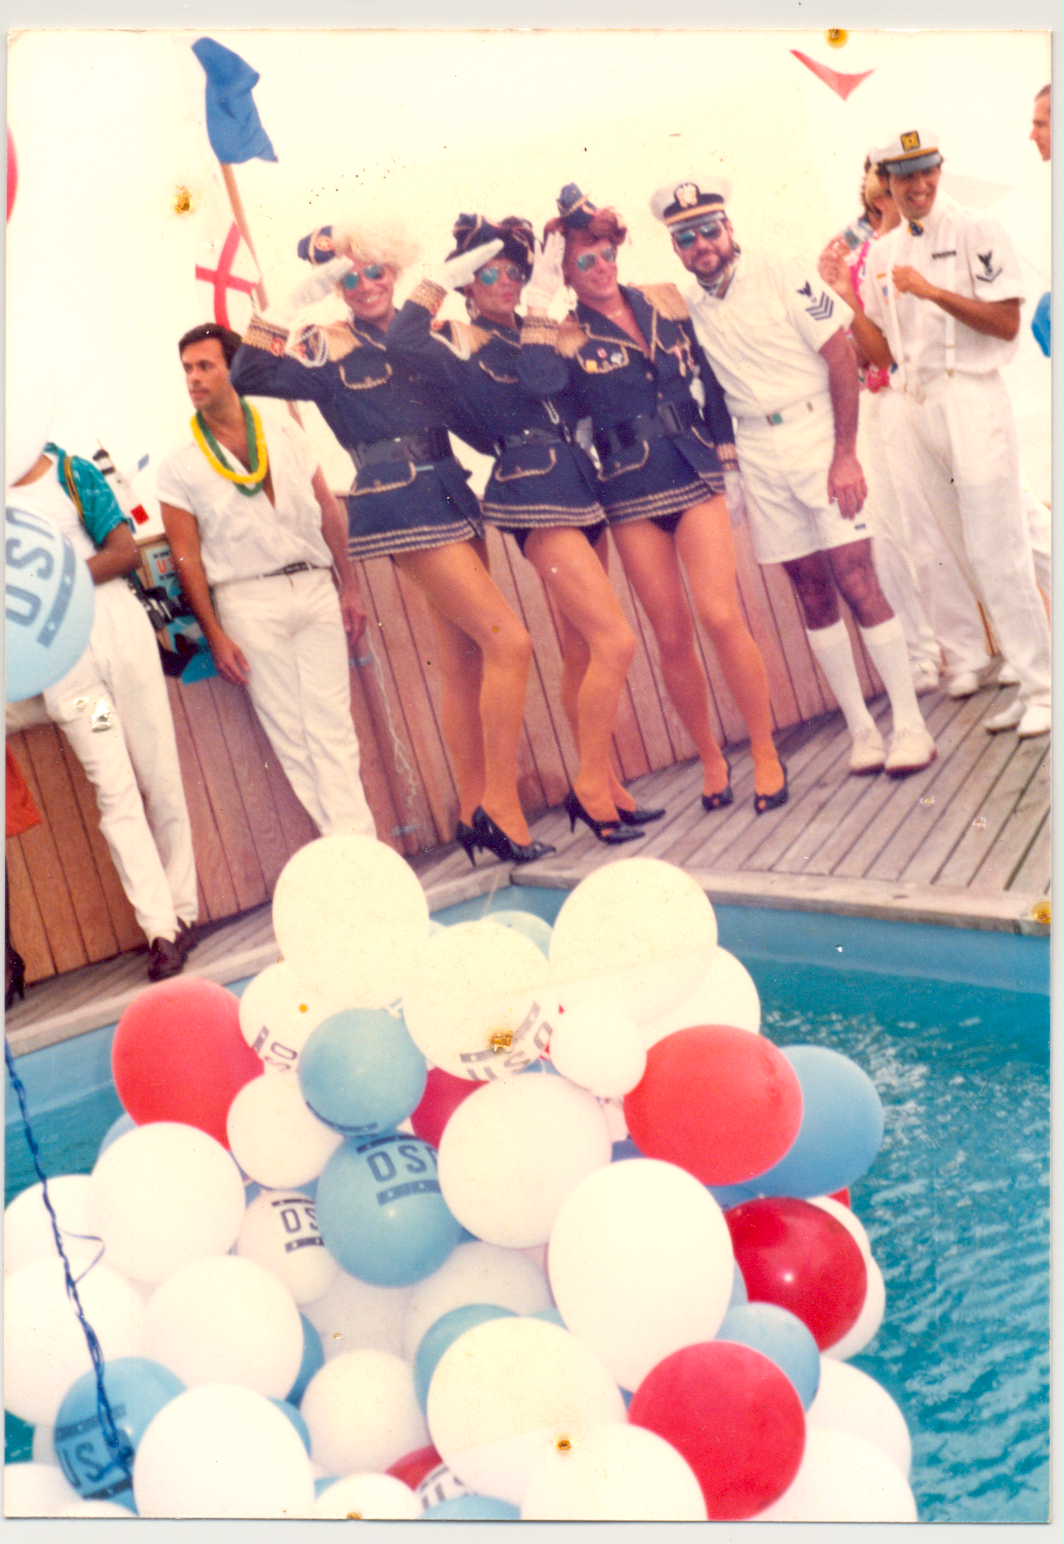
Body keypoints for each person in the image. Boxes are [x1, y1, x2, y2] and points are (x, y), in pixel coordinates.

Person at [229, 222, 552, 866]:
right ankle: (501, 807)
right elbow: (249, 373)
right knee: (510, 643)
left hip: (451, 490)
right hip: (397, 498)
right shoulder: (327, 346)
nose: (367, 285)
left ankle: (469, 811)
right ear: (337, 290)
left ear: (395, 275)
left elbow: (470, 415)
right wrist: (288, 306)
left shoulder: (421, 333)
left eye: (376, 272)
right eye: (350, 278)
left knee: (463, 662)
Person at [518, 183, 789, 817]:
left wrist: (729, 457)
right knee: (671, 634)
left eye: (606, 252)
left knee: (722, 616)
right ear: (565, 274)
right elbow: (537, 385)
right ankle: (712, 760)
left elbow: (714, 383)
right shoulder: (563, 333)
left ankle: (767, 751)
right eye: (584, 261)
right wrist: (539, 302)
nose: (601, 267)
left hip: (694, 472)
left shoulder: (666, 301)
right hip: (630, 490)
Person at [387, 211, 650, 845]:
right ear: (467, 285)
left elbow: (560, 384)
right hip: (532, 490)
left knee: (584, 648)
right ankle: (588, 786)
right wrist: (449, 274)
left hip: (580, 484)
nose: (505, 283)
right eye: (488, 275)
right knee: (616, 640)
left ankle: (606, 782)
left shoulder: (538, 329)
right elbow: (402, 337)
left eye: (513, 272)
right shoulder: (458, 338)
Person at [663, 175, 937, 778]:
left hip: (818, 435)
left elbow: (841, 355)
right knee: (811, 590)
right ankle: (863, 732)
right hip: (759, 453)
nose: (702, 244)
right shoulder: (689, 305)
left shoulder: (781, 270)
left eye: (710, 229)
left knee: (856, 577)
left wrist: (845, 454)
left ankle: (912, 724)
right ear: (676, 248)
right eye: (687, 238)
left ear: (729, 229)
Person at [850, 130, 1051, 740]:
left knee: (1000, 546)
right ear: (885, 183)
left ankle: (1046, 685)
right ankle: (1025, 675)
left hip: (972, 392)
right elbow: (881, 350)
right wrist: (845, 301)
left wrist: (934, 291)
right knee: (963, 550)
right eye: (904, 177)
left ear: (940, 169)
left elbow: (1007, 319)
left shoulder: (976, 228)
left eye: (927, 172)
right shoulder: (883, 255)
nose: (918, 187)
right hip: (917, 403)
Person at [158, 322, 378, 846]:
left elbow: (328, 507)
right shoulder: (178, 465)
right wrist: (216, 633)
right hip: (247, 601)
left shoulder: (282, 430)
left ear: (234, 368)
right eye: (187, 368)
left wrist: (349, 586)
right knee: (291, 734)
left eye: (205, 365)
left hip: (313, 586)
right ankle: (350, 854)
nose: (193, 378)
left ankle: (361, 850)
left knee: (332, 726)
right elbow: (187, 559)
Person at [9, 446, 200, 981]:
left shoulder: (72, 470)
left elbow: (123, 552)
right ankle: (159, 928)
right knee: (114, 790)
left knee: (158, 775)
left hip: (120, 635)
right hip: (65, 664)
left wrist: (51, 583)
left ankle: (183, 910)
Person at [818, 157, 988, 699]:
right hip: (884, 404)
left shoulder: (943, 241)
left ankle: (999, 643)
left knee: (991, 517)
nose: (878, 215)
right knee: (908, 536)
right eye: (872, 207)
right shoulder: (864, 256)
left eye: (883, 204)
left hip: (940, 394)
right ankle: (952, 654)